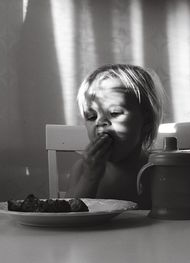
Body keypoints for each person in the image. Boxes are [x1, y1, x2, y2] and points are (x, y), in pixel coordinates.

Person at [66, 64, 164, 208]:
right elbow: (68, 215)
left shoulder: (160, 170)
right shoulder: (82, 169)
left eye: (115, 113)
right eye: (92, 116)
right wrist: (90, 177)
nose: (101, 122)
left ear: (146, 122)